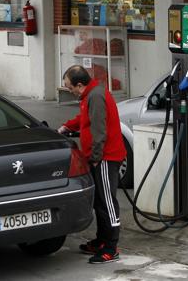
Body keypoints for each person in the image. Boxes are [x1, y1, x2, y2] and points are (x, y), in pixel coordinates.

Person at [58, 65, 126, 264]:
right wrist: (66, 126)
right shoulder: (90, 95)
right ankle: (101, 241)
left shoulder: (95, 96)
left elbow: (99, 130)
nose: (69, 91)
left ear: (80, 85)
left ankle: (111, 247)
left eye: (70, 87)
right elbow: (84, 119)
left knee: (107, 202)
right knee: (99, 201)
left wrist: (95, 157)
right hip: (99, 157)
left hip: (105, 158)